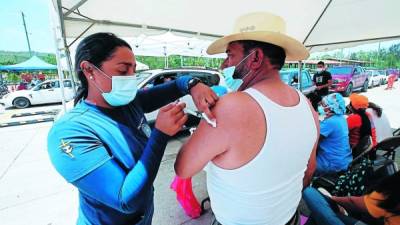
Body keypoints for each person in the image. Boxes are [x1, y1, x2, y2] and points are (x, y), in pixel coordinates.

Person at [47, 32, 218, 225]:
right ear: (89, 70)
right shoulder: (70, 132)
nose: (131, 78)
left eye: (133, 70)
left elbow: (177, 86)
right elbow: (125, 200)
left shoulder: (129, 103)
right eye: (122, 71)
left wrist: (192, 84)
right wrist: (160, 134)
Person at [174, 12, 319, 225]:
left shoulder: (231, 107)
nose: (224, 65)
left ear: (256, 58)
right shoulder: (305, 104)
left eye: (230, 55)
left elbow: (183, 168)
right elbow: (309, 170)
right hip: (289, 219)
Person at [302, 171, 400, 225]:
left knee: (309, 192)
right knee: (320, 214)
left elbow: (353, 202)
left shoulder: (394, 191)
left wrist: (332, 199)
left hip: (331, 165)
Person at [315, 93, 352, 175]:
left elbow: (313, 141)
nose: (320, 106)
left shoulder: (330, 122)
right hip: (343, 159)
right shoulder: (341, 118)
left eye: (323, 104)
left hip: (332, 163)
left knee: (302, 166)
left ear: (331, 107)